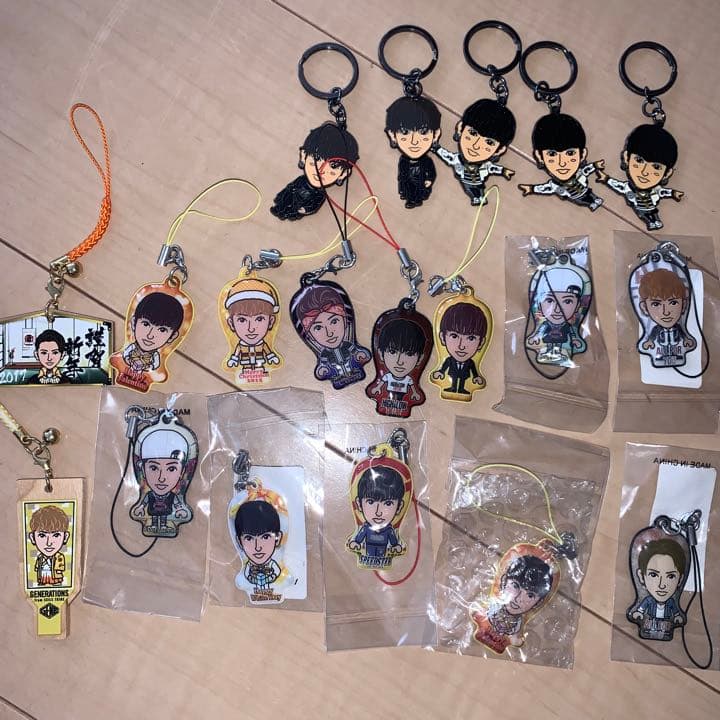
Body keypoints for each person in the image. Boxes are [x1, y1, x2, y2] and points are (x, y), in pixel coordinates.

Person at [596, 124, 683, 230]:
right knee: (643, 215)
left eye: (656, 167)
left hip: (651, 207)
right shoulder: (628, 188)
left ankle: (655, 221)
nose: (644, 172)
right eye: (639, 160)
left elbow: (663, 192)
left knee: (654, 214)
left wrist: (673, 193)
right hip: (640, 208)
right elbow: (618, 185)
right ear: (626, 158)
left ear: (667, 173)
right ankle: (651, 222)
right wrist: (606, 179)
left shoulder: (655, 190)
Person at [271, 122, 359, 221]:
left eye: (333, 166)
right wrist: (280, 197)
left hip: (299, 208)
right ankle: (279, 209)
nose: (320, 170)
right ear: (304, 156)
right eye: (316, 159)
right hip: (290, 200)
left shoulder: (321, 194)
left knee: (293, 213)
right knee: (284, 204)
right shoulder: (301, 180)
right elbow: (289, 188)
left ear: (344, 174)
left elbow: (315, 204)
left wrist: (306, 209)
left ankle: (289, 214)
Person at [434, 99, 515, 205]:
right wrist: (436, 148)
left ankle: (479, 197)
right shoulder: (457, 160)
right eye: (472, 133)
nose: (476, 146)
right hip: (466, 182)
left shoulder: (485, 166)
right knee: (470, 189)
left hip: (478, 182)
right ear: (460, 128)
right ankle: (476, 198)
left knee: (478, 190)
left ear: (499, 150)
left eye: (489, 142)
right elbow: (447, 156)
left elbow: (493, 168)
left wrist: (503, 171)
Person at [519, 113, 604, 211]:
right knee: (582, 200)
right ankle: (592, 203)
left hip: (585, 190)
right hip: (575, 197)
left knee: (590, 195)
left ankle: (595, 200)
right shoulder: (555, 184)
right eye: (552, 154)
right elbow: (545, 188)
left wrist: (595, 165)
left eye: (570, 153)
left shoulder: (578, 174)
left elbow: (586, 170)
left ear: (583, 154)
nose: (562, 163)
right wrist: (531, 189)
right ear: (539, 156)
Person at [291, 283, 370, 389]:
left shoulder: (348, 345)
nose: (329, 333)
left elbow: (356, 351)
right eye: (318, 328)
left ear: (345, 320)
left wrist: (360, 354)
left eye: (334, 321)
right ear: (310, 336)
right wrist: (322, 370)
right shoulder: (324, 354)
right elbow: (323, 365)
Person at [471, 554, 554, 654]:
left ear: (538, 603)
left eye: (530, 595)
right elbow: (480, 614)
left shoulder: (517, 624)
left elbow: (515, 638)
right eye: (515, 586)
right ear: (504, 581)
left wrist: (514, 640)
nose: (518, 598)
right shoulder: (494, 607)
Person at [130, 424, 193, 537]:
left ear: (182, 471)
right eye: (154, 468)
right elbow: (144, 503)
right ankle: (155, 525)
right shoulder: (150, 494)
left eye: (171, 469)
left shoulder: (172, 496)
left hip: (166, 512)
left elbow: (177, 504)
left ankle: (163, 525)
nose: (161, 478)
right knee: (154, 518)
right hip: (152, 512)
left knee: (163, 517)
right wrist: (140, 507)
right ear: (143, 470)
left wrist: (180, 510)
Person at [385, 96, 441, 208]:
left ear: (435, 134)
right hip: (408, 185)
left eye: (423, 132)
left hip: (420, 183)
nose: (414, 141)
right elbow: (402, 175)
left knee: (419, 191)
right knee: (409, 190)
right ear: (392, 135)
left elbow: (432, 172)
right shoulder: (403, 161)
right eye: (405, 132)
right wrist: (402, 188)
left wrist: (429, 180)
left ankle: (417, 199)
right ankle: (410, 199)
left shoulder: (426, 160)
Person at [526, 265, 589, 365]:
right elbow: (540, 330)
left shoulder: (567, 325)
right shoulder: (545, 324)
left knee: (559, 344)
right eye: (549, 300)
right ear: (539, 304)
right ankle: (548, 352)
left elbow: (572, 333)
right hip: (548, 338)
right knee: (550, 344)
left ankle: (558, 353)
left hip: (562, 338)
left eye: (567, 301)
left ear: (578, 305)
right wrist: (536, 337)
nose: (557, 309)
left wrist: (575, 339)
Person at [347, 464, 405, 568]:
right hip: (369, 550)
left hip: (383, 551)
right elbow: (359, 537)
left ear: (399, 507)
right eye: (371, 502)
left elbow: (393, 541)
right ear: (359, 504)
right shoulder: (366, 528)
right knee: (370, 556)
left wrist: (395, 546)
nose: (378, 512)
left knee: (381, 558)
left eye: (388, 503)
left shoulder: (389, 530)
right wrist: (356, 542)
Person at [223, 276, 281, 381]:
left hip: (260, 365)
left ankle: (259, 372)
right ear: (231, 323)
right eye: (242, 320)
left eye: (259, 319)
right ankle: (247, 373)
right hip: (245, 366)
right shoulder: (241, 346)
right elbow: (236, 352)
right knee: (246, 369)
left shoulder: (262, 345)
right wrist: (234, 360)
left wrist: (271, 357)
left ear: (271, 321)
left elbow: (268, 351)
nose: (251, 329)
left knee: (260, 369)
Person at [629, 538, 686, 640]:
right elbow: (641, 608)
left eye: (671, 576)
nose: (661, 585)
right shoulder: (649, 601)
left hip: (666, 627)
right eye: (653, 575)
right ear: (641, 576)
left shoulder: (671, 603)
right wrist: (639, 613)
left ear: (680, 580)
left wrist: (677, 616)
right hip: (649, 624)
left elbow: (676, 612)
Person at [637, 268, 695, 368]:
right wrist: (649, 341)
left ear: (684, 304)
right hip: (661, 350)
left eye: (673, 303)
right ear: (644, 307)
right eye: (656, 304)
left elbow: (683, 334)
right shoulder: (656, 329)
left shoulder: (678, 327)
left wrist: (686, 340)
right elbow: (653, 335)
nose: (666, 312)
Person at [431, 301, 488, 397]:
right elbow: (445, 365)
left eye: (471, 338)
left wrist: (476, 377)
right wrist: (441, 372)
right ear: (442, 337)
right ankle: (453, 388)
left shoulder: (470, 363)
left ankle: (461, 389)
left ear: (481, 342)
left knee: (462, 381)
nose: (461, 346)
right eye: (454, 336)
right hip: (451, 375)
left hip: (466, 378)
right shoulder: (449, 360)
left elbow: (474, 370)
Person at [121, 292, 185, 373]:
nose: (150, 335)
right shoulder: (131, 348)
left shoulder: (155, 356)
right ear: (134, 323)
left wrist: (147, 367)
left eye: (162, 330)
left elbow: (155, 366)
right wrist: (129, 360)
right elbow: (125, 355)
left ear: (172, 337)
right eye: (146, 324)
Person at [367, 318, 425, 407]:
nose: (399, 362)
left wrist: (415, 393)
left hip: (402, 396)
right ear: (381, 354)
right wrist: (377, 388)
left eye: (409, 354)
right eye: (392, 352)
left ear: (420, 358)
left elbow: (413, 387)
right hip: (388, 396)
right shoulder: (387, 376)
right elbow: (381, 382)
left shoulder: (408, 379)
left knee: (399, 400)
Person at [234, 499, 283, 597]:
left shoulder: (273, 564)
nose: (258, 547)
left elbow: (277, 572)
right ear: (239, 542)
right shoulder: (248, 567)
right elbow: (247, 575)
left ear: (278, 538)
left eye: (265, 537)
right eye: (249, 538)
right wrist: (252, 579)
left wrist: (271, 577)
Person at [28, 505, 70, 586]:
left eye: (56, 535)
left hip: (54, 576)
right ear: (32, 538)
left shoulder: (59, 557)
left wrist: (58, 570)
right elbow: (37, 567)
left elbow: (60, 566)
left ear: (65, 537)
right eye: (42, 535)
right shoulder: (40, 557)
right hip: (43, 575)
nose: (49, 543)